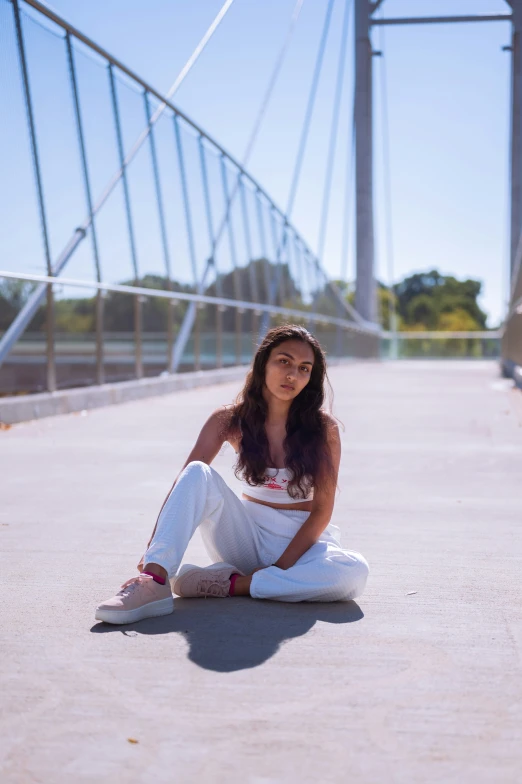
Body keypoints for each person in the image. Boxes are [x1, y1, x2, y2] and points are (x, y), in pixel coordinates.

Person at [95, 324, 369, 625]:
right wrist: (152, 553)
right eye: (284, 361)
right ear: (263, 362)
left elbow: (322, 512)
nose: (292, 374)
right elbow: (185, 486)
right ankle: (154, 583)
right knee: (198, 472)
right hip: (244, 537)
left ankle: (229, 585)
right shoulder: (227, 420)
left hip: (303, 546)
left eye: (304, 368)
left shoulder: (323, 429)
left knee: (354, 572)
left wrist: (277, 570)